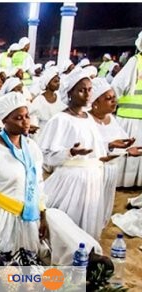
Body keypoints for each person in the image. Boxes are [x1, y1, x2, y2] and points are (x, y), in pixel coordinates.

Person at [0, 92, 103, 265]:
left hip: (28, 215)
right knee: (4, 265)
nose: (25, 122)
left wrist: (43, 215)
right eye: (18, 118)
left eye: (27, 116)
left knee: (28, 261)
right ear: (4, 121)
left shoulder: (31, 147)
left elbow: (38, 183)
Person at [38, 70, 108, 239]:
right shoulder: (60, 119)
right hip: (71, 182)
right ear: (70, 93)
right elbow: (46, 156)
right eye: (82, 90)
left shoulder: (88, 118)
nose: (87, 94)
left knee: (87, 227)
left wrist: (117, 149)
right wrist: (69, 152)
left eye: (90, 89)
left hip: (92, 180)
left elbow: (94, 148)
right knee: (68, 227)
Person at [89, 78, 141, 224]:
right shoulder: (87, 120)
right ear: (95, 103)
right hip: (93, 172)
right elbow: (88, 148)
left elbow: (119, 142)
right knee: (90, 208)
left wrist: (128, 149)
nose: (114, 101)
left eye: (114, 98)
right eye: (109, 98)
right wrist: (110, 145)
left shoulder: (111, 118)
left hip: (111, 171)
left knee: (103, 209)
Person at [111, 31, 142, 187]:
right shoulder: (135, 61)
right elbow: (117, 85)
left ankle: (135, 184)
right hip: (129, 118)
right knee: (126, 151)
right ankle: (120, 183)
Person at [28, 67, 67, 141]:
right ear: (48, 84)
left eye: (58, 81)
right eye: (55, 82)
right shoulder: (39, 100)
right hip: (43, 135)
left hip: (57, 135)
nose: (58, 84)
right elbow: (34, 123)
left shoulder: (58, 96)